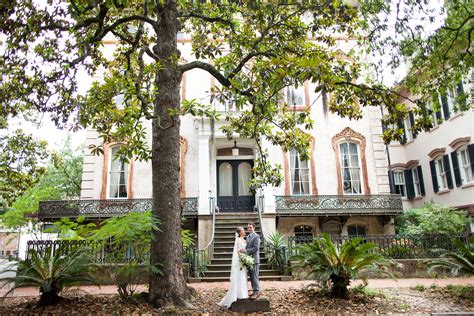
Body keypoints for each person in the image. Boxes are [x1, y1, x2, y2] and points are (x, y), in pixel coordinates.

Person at [218, 227, 248, 309]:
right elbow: (237, 251)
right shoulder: (238, 240)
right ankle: (238, 293)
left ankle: (243, 293)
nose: (244, 231)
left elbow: (245, 249)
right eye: (243, 230)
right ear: (240, 232)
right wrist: (242, 259)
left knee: (243, 276)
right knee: (239, 276)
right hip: (240, 260)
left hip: (244, 259)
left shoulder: (244, 239)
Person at [240, 222, 260, 300]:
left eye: (250, 227)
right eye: (248, 228)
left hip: (254, 260)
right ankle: (254, 291)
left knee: (255, 276)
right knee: (252, 277)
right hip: (249, 260)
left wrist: (245, 251)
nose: (249, 229)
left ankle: (256, 292)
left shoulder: (256, 236)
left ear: (254, 228)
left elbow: (256, 248)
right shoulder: (248, 237)